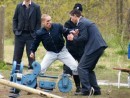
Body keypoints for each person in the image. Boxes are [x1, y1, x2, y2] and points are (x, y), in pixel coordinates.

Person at [67, 9, 108, 96]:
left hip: (94, 47)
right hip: (99, 46)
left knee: (81, 68)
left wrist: (73, 38)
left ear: (75, 15)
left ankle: (86, 90)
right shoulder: (85, 21)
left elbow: (84, 38)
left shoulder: (81, 23)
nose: (71, 20)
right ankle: (96, 90)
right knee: (88, 69)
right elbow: (85, 36)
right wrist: (77, 35)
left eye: (71, 17)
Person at [12, 0, 41, 70]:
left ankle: (32, 75)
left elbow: (38, 22)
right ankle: (15, 73)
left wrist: (36, 33)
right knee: (17, 56)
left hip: (31, 36)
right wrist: (15, 30)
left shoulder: (36, 7)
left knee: (31, 56)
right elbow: (15, 19)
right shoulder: (19, 6)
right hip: (19, 35)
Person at [63, 3, 83, 93]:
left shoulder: (83, 22)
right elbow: (65, 34)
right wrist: (73, 33)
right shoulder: (67, 23)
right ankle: (75, 86)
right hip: (71, 49)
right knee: (69, 68)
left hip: (81, 49)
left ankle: (84, 86)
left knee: (82, 68)